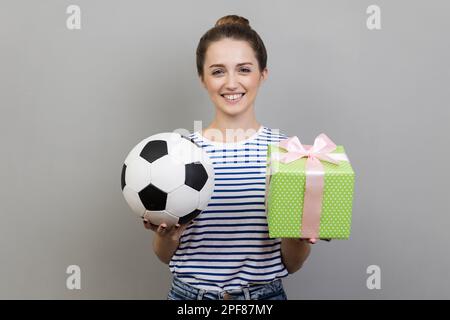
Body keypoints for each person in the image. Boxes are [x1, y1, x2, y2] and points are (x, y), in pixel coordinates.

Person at [143, 15, 314, 300]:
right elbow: (165, 256)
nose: (232, 83)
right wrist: (165, 237)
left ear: (263, 74)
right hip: (190, 299)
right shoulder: (179, 153)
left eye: (244, 69)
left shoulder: (289, 153)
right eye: (218, 71)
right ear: (203, 79)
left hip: (263, 299)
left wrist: (296, 234)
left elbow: (293, 263)